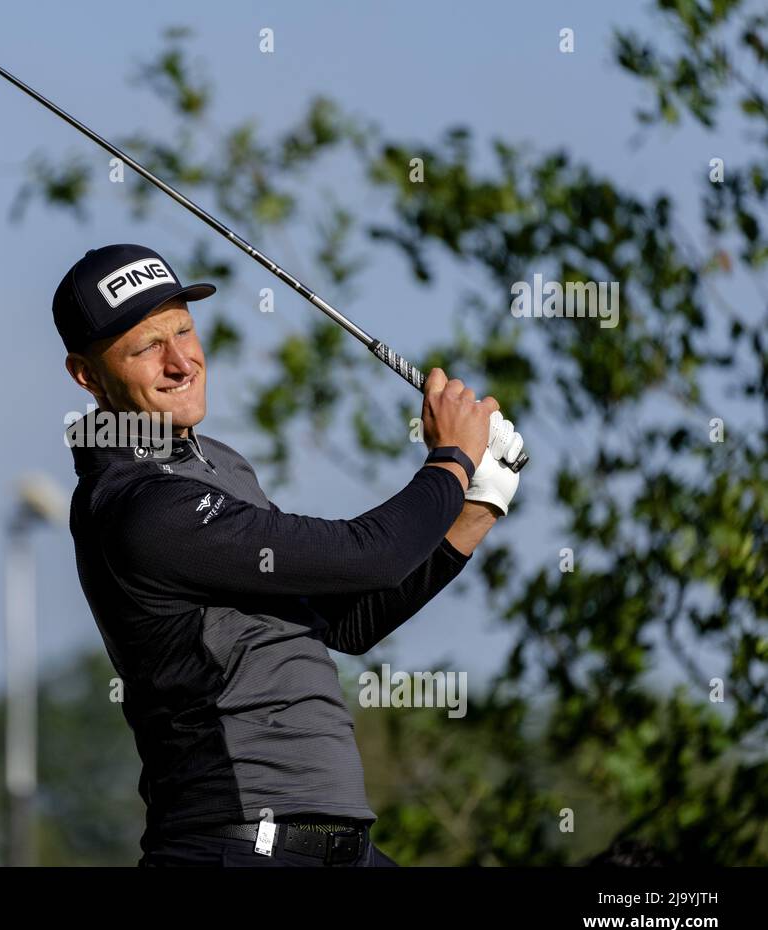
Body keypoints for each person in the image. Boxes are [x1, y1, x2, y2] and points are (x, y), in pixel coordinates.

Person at [53, 243, 524, 866]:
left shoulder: (217, 465)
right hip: (235, 846)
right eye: (145, 348)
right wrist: (451, 461)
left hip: (341, 847)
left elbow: (349, 622)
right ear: (86, 375)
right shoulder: (138, 506)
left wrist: (479, 504)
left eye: (184, 332)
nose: (180, 362)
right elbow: (372, 555)